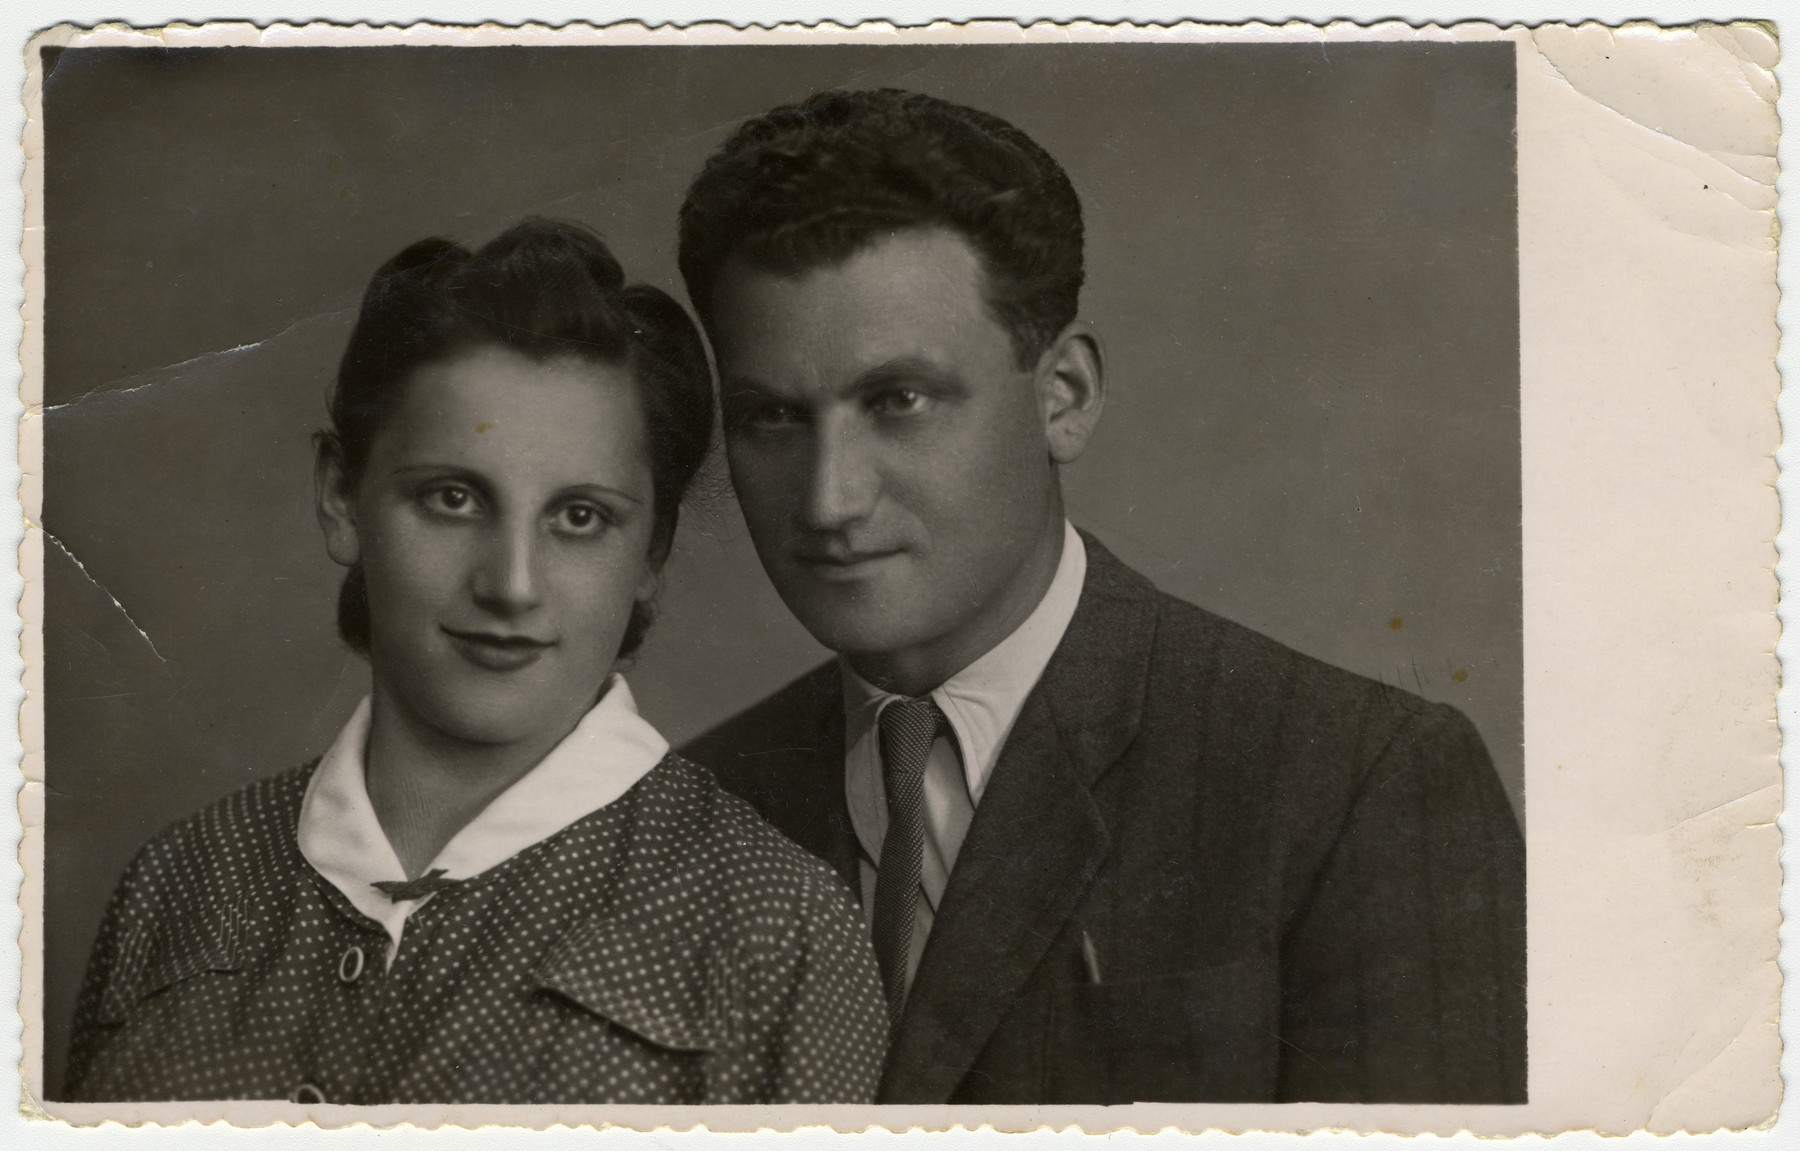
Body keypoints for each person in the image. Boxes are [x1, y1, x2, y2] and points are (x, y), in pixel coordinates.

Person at [678, 89, 1526, 1105]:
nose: (829, 496)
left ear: (1064, 396)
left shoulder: (1358, 785)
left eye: (899, 401)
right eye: (772, 416)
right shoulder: (684, 816)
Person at [65, 219, 887, 1105]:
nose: (512, 584)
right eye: (453, 498)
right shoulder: (179, 883)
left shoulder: (773, 926)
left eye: (580, 517)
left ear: (651, 554)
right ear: (342, 496)